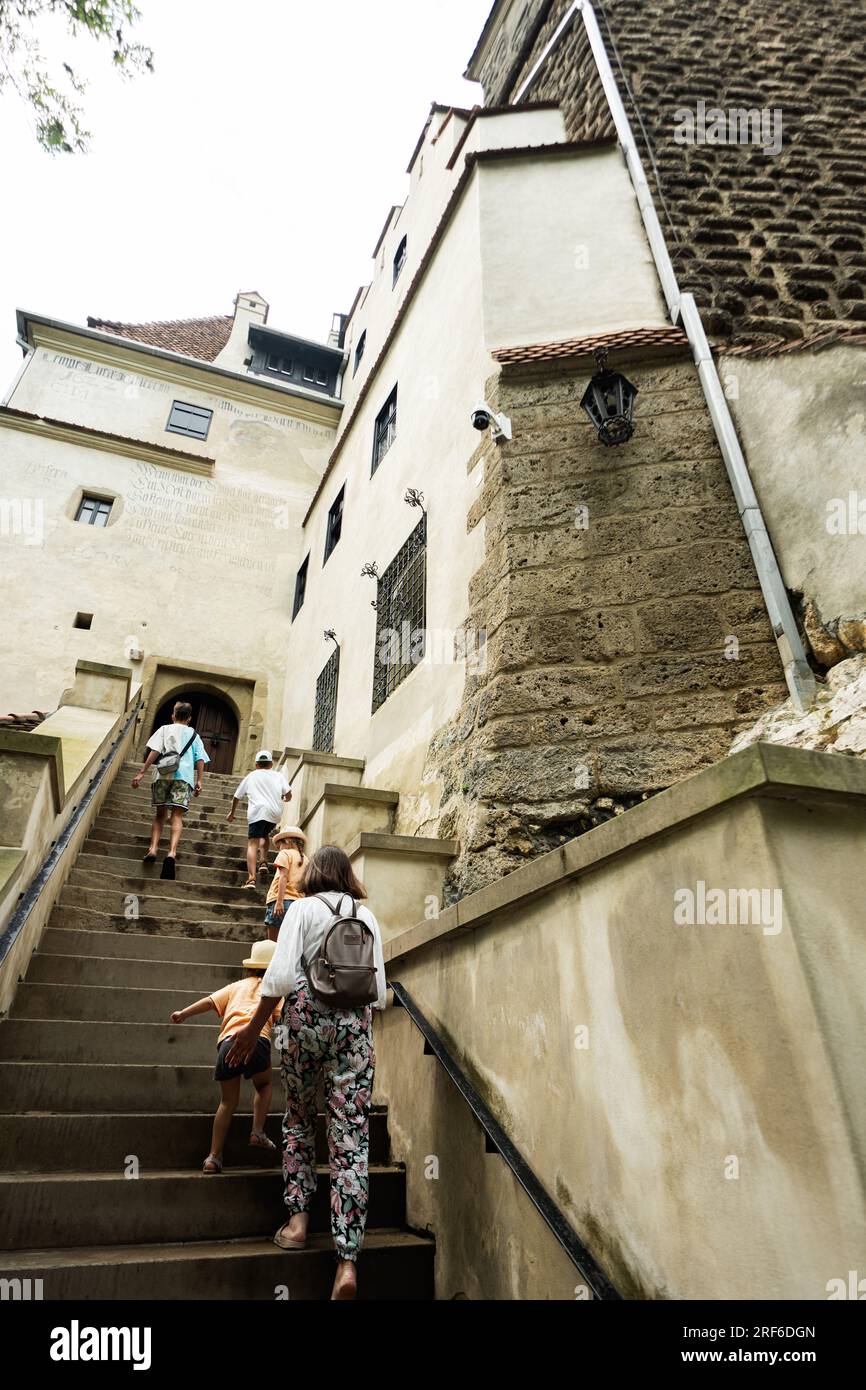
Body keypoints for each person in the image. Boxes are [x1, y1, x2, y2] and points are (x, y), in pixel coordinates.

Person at [227, 845, 386, 1302]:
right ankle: (347, 1261)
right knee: (351, 1138)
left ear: (314, 873)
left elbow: (276, 981)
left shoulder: (301, 910)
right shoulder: (367, 918)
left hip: (306, 1027)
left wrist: (249, 1033)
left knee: (298, 1119)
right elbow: (377, 990)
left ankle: (298, 1223)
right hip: (355, 1032)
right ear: (348, 876)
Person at [169, 939, 283, 1175]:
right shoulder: (274, 989)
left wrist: (183, 1013)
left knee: (227, 1102)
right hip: (257, 1041)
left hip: (227, 1043)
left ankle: (213, 1157)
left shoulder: (236, 986)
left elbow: (209, 1002)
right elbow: (280, 1018)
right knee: (263, 1084)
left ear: (250, 966)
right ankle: (257, 1130)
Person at [132, 701, 209, 880]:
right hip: (183, 778)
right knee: (177, 816)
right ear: (189, 718)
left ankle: (152, 849)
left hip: (162, 775)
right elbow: (200, 759)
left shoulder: (164, 729)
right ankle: (172, 853)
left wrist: (142, 772)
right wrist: (199, 780)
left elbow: (154, 751)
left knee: (160, 815)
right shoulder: (194, 735)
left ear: (173, 716)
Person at [227, 751, 292, 890]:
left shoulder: (252, 775)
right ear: (271, 764)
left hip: (257, 812)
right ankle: (263, 862)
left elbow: (237, 796)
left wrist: (232, 813)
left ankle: (251, 879)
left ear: (256, 765)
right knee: (264, 834)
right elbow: (288, 794)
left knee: (252, 843)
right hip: (274, 814)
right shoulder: (278, 775)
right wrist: (285, 799)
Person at [263, 827, 307, 942]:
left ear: (287, 841)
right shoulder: (306, 859)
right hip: (298, 904)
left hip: (281, 902)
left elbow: (283, 876)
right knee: (289, 941)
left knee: (273, 943)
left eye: (279, 846)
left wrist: (279, 901)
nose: (279, 849)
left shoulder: (285, 854)